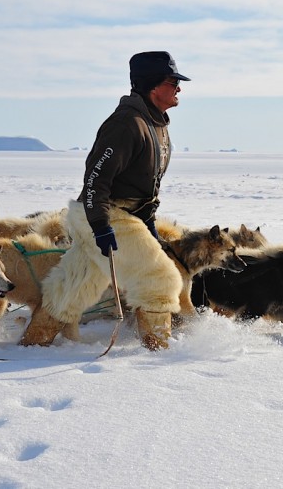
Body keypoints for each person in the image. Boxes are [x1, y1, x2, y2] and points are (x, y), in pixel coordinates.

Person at [20, 51, 191, 350]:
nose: (179, 87)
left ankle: (33, 345)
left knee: (72, 287)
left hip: (123, 216)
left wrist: (147, 224)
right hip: (106, 214)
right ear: (153, 85)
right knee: (161, 279)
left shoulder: (154, 123)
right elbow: (96, 181)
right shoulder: (126, 124)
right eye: (172, 81)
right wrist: (100, 226)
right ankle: (158, 355)